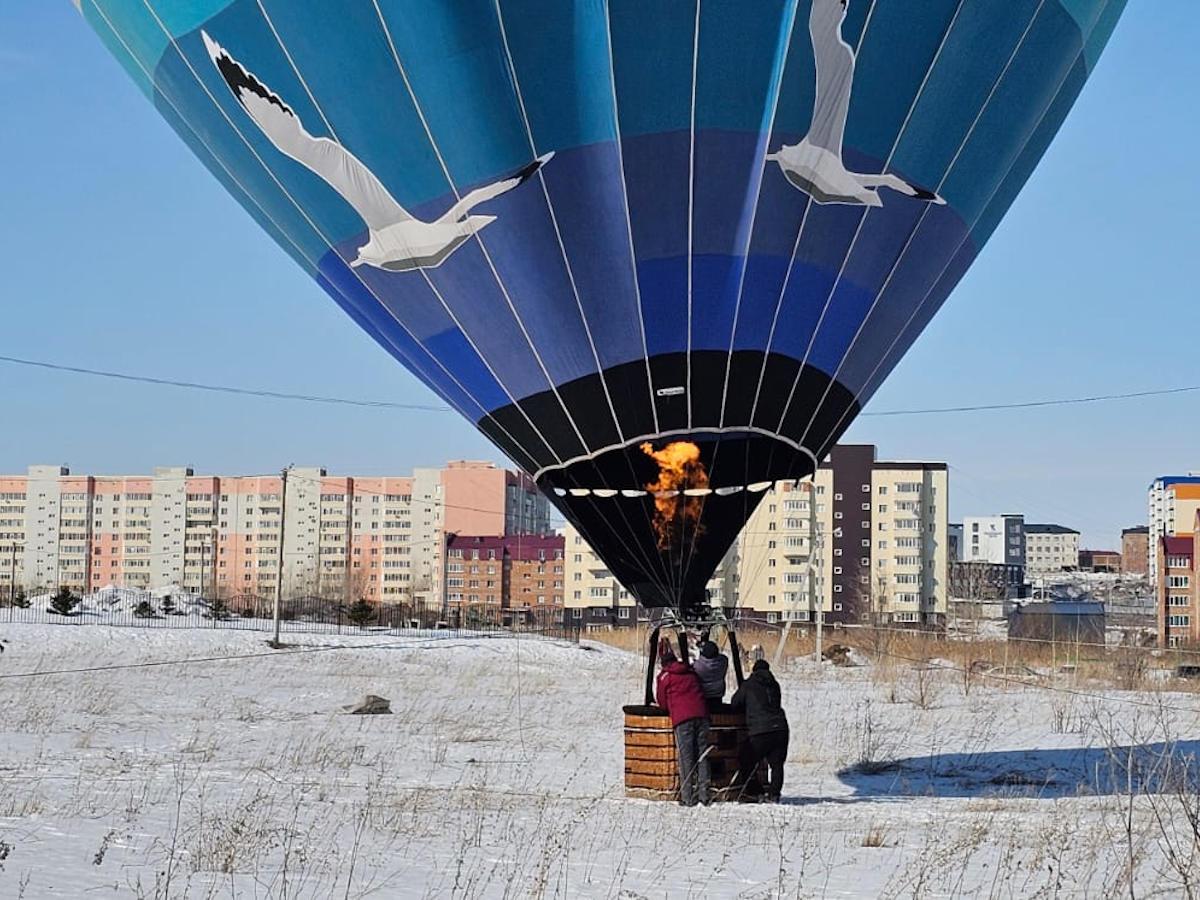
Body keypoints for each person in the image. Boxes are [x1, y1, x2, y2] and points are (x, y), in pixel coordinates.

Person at [654, 637, 712, 806]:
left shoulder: (665, 676)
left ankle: (687, 797)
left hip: (683, 719)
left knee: (686, 757)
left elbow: (662, 702)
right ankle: (705, 795)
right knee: (702, 754)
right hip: (702, 716)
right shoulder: (691, 671)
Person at [730, 659, 789, 803]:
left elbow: (735, 703)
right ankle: (774, 795)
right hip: (781, 728)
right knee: (777, 764)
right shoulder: (775, 685)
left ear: (754, 671)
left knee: (746, 759)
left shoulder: (749, 685)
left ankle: (756, 792)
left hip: (760, 730)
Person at [692, 640, 729, 711]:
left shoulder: (698, 667)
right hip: (718, 695)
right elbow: (723, 657)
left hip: (702, 696)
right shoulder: (723, 662)